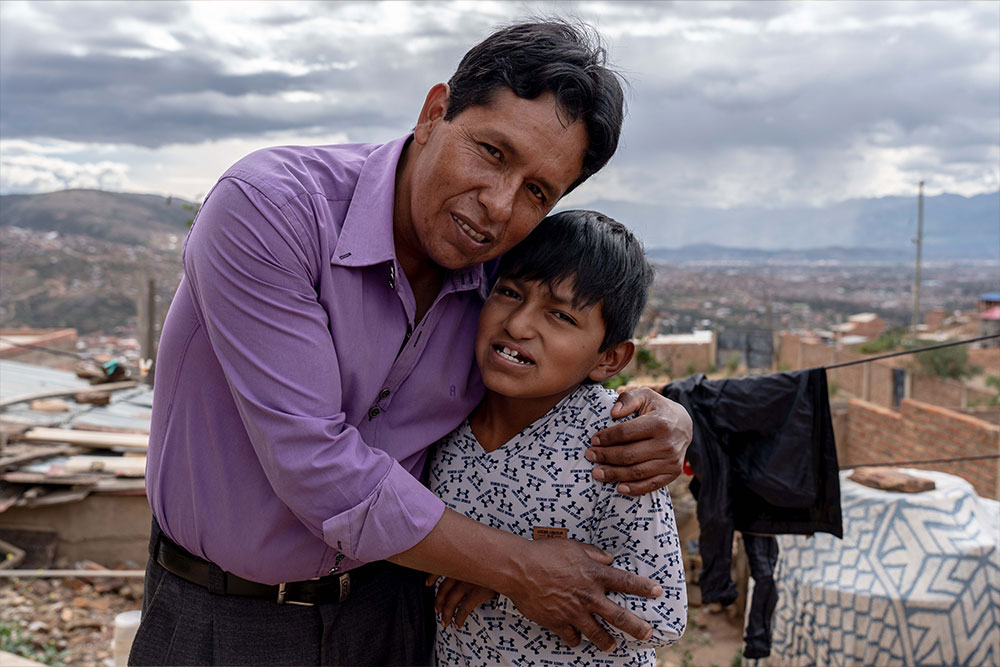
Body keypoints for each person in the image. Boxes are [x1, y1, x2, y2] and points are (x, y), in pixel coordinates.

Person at [131, 20, 692, 666]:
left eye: (538, 191)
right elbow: (318, 467)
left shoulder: (501, 283)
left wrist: (677, 417)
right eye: (492, 152)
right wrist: (518, 566)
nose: (498, 205)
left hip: (398, 613)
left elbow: (561, 378)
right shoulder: (270, 211)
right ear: (434, 112)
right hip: (226, 618)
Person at [428, 210, 687, 666]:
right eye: (509, 292)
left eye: (561, 316)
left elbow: (663, 615)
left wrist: (509, 576)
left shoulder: (614, 444)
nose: (519, 324)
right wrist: (498, 565)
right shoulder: (443, 415)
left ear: (609, 358)